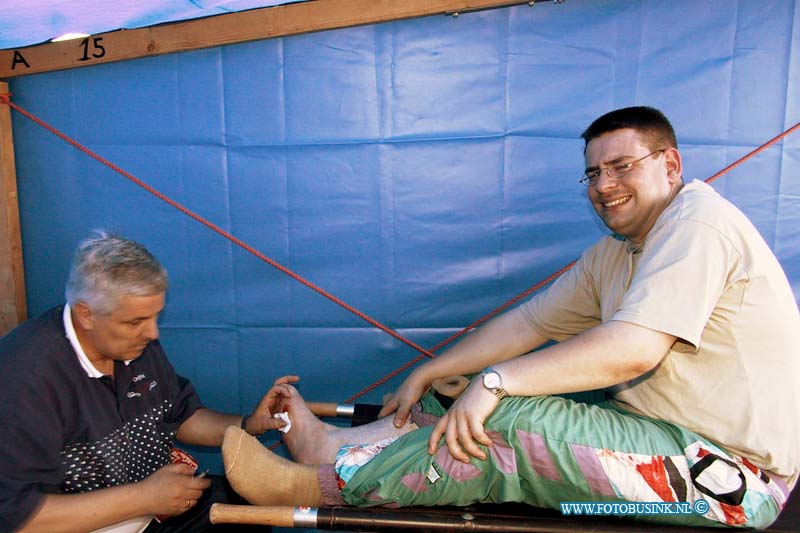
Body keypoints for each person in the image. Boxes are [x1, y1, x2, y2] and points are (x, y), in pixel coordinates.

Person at [221, 106, 800, 529]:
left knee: (508, 423)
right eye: (593, 174)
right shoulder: (616, 253)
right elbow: (527, 326)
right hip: (662, 428)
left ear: (669, 164)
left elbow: (634, 349)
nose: (604, 186)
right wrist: (436, 371)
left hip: (729, 480)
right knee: (467, 379)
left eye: (621, 166)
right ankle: (343, 446)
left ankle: (324, 484)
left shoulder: (696, 222)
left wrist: (496, 383)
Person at [0, 231, 295, 532]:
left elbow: (179, 416)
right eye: (136, 322)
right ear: (86, 314)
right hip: (90, 523)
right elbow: (17, 517)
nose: (153, 333)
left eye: (155, 316)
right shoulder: (24, 378)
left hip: (155, 507)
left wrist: (247, 424)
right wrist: (142, 498)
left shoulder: (133, 344)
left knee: (249, 507)